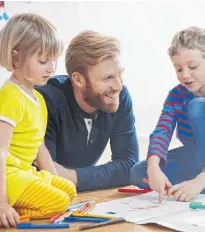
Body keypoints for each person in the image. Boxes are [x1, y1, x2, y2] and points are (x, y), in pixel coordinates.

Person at [130, 26, 205, 202]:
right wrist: (154, 166)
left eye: (192, 66)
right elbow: (162, 131)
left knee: (198, 106)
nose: (185, 75)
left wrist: (198, 183)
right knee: (138, 172)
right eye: (179, 69)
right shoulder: (175, 95)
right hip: (195, 153)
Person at [0, 13, 76, 228]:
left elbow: (40, 148)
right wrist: (0, 203)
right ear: (16, 58)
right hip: (8, 175)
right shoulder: (9, 97)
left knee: (69, 190)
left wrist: (57, 181)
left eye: (54, 60)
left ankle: (19, 205)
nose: (52, 68)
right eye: (43, 61)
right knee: (60, 201)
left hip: (24, 173)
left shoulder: (38, 99)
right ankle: (6, 210)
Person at [35, 31, 139, 192]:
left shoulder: (119, 96)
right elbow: (46, 176)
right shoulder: (45, 101)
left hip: (78, 195)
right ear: (78, 80)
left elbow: (129, 166)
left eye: (120, 74)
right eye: (108, 78)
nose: (118, 86)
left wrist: (73, 177)